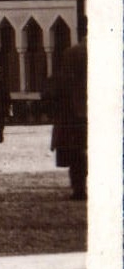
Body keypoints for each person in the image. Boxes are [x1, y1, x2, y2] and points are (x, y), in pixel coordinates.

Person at [51, 39, 87, 200]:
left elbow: (61, 84)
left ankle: (79, 188)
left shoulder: (72, 53)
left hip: (76, 111)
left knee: (77, 152)